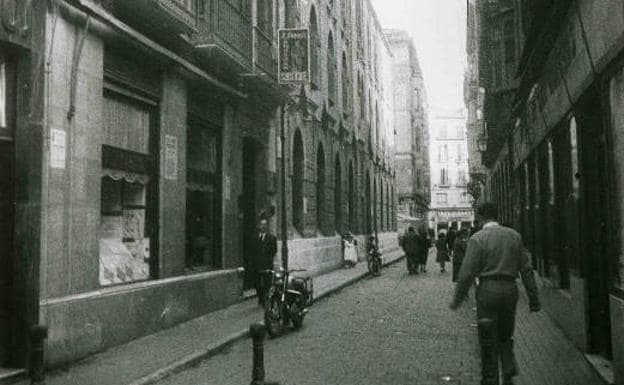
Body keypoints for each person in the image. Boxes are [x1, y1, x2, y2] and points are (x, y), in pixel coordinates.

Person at [450, 202, 541, 385]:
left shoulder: (478, 238)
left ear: (482, 217)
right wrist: (533, 297)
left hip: (488, 291)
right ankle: (508, 369)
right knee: (506, 335)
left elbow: (467, 272)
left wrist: (458, 298)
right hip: (510, 290)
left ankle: (490, 379)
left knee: (487, 337)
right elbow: (527, 268)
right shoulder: (514, 236)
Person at [254, 218, 277, 306]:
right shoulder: (255, 237)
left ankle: (265, 298)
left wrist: (269, 259)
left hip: (267, 264)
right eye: (261, 224)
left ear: (267, 226)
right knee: (257, 283)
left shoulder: (272, 238)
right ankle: (260, 297)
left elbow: (274, 250)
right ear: (259, 226)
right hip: (257, 265)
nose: (263, 226)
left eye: (265, 225)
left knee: (267, 283)